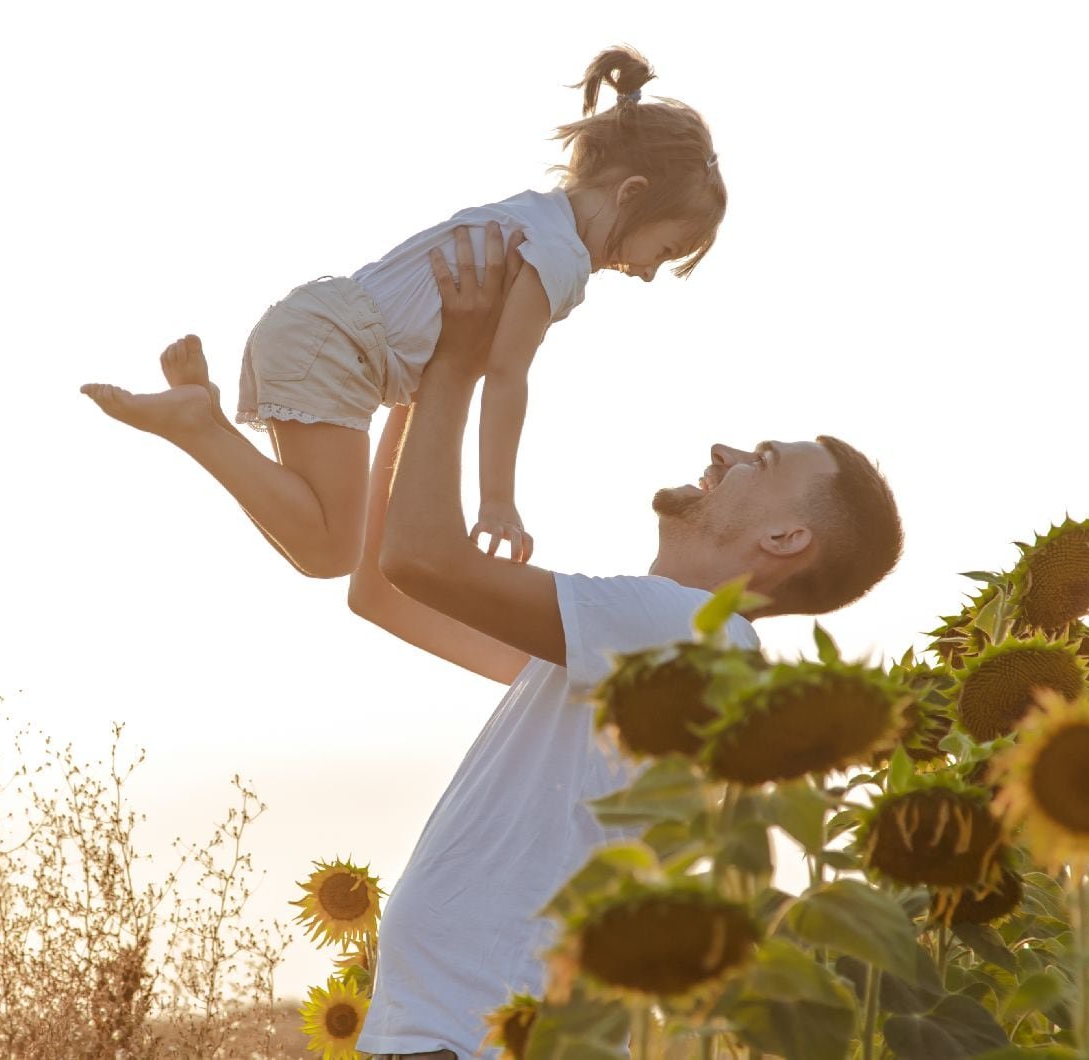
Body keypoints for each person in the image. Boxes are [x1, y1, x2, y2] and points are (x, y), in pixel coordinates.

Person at [349, 230, 903, 1058]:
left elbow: (419, 559)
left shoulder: (683, 633)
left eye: (762, 459)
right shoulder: (644, 656)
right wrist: (417, 392)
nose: (724, 452)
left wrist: (458, 362)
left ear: (788, 537)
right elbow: (384, 591)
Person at [80, 45, 726, 578]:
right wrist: (496, 498)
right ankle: (200, 425)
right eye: (662, 250)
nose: (646, 272)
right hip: (340, 347)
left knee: (328, 537)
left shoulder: (536, 215)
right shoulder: (560, 256)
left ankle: (201, 420)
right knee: (331, 550)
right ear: (632, 194)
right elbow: (505, 374)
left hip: (323, 331)